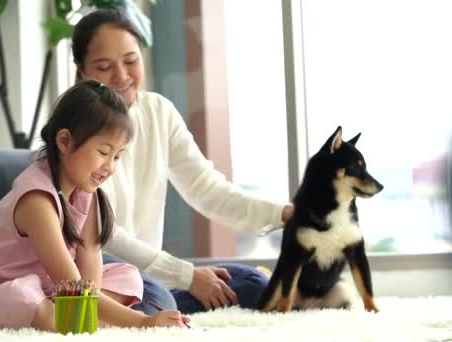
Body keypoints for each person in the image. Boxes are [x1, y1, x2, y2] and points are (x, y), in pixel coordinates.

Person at [71, 9, 294, 315]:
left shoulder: (159, 112)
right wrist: (186, 276)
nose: (121, 76)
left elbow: (207, 189)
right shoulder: (72, 130)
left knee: (255, 284)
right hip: (100, 272)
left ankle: (161, 306)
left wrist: (282, 214)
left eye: (131, 61)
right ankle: (150, 310)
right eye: (104, 66)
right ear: (82, 72)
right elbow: (103, 234)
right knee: (156, 298)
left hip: (153, 275)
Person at [0, 80, 189, 331]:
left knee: (128, 276)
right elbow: (72, 284)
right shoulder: (37, 200)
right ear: (64, 141)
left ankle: (69, 323)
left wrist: (84, 310)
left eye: (117, 156)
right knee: (22, 296)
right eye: (103, 152)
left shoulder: (89, 193)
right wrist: (142, 322)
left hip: (51, 292)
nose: (110, 167)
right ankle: (70, 322)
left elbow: (89, 280)